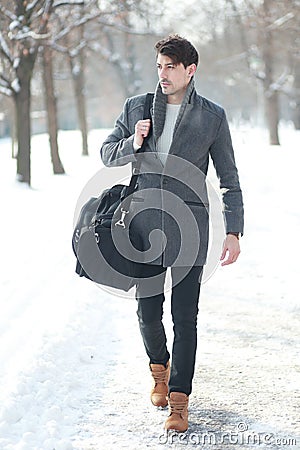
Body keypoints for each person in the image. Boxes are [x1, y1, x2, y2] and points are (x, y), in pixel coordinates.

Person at [100, 34, 244, 432]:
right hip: (143, 226)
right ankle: (158, 371)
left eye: (170, 67)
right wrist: (134, 140)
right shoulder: (137, 107)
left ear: (190, 70)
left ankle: (179, 400)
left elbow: (229, 179)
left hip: (190, 229)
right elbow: (106, 153)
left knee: (185, 315)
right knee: (147, 312)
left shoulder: (212, 116)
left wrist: (234, 231)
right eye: (159, 66)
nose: (162, 74)